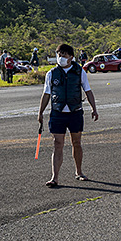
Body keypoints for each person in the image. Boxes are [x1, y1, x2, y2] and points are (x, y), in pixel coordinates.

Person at [38, 44, 99, 187]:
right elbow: (46, 94)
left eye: (64, 55)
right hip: (57, 113)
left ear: (71, 57)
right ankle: (55, 177)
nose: (61, 58)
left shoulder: (79, 72)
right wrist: (40, 112)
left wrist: (94, 109)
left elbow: (88, 91)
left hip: (75, 113)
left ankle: (79, 172)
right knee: (57, 143)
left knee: (76, 142)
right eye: (59, 55)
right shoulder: (51, 73)